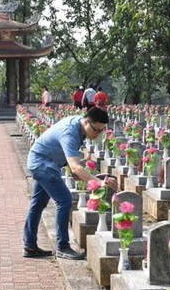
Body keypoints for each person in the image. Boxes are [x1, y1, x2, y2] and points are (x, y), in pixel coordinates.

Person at [23, 107, 118, 260]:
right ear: (86, 121)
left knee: (38, 203)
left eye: (101, 131)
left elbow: (71, 159)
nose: (97, 134)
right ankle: (63, 247)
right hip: (42, 164)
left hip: (44, 161)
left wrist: (77, 172)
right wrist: (99, 182)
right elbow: (75, 166)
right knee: (64, 200)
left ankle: (29, 246)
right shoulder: (70, 132)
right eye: (96, 130)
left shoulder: (78, 124)